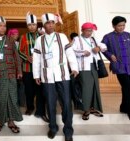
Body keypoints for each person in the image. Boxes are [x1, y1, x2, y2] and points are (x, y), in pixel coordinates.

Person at [32, 13, 78, 141]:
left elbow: (69, 52)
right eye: (48, 23)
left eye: (52, 22)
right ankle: (53, 127)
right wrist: (36, 74)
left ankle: (68, 130)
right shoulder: (39, 40)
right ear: (44, 25)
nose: (51, 25)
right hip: (46, 76)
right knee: (50, 104)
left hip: (62, 74)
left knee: (66, 104)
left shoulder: (62, 37)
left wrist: (74, 67)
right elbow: (36, 59)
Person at [102, 16, 130, 123]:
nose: (121, 27)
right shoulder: (108, 37)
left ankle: (123, 107)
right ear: (114, 26)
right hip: (119, 67)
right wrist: (110, 55)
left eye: (123, 25)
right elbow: (102, 48)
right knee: (128, 89)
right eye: (119, 25)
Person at [0, 15, 23, 133]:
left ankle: (11, 121)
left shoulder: (11, 40)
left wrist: (19, 71)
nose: (3, 28)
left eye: (4, 26)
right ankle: (0, 121)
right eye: (0, 26)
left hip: (10, 73)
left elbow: (17, 57)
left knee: (12, 97)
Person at [71, 22, 107, 120]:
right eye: (87, 30)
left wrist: (98, 48)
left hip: (94, 66)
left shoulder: (93, 39)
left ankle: (93, 108)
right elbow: (71, 51)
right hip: (83, 68)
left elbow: (104, 47)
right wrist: (83, 53)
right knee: (86, 88)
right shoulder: (76, 39)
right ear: (82, 30)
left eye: (91, 31)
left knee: (95, 87)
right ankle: (86, 110)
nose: (89, 33)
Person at [19, 12, 48, 122]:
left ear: (37, 25)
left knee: (41, 91)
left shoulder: (42, 36)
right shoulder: (23, 37)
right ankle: (30, 107)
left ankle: (41, 111)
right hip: (27, 69)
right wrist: (27, 58)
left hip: (40, 69)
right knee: (29, 91)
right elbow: (19, 51)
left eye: (34, 25)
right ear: (27, 26)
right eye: (30, 25)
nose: (32, 27)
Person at [8, 28, 26, 107]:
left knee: (21, 85)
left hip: (19, 67)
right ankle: (12, 103)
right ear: (10, 35)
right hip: (10, 67)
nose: (16, 36)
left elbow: (21, 54)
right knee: (12, 85)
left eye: (17, 34)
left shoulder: (19, 43)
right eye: (14, 34)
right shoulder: (7, 43)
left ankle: (21, 102)